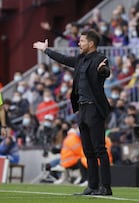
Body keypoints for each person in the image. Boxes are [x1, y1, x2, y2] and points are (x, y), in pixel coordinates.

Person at [33, 30, 112, 195]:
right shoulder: (80, 60)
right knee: (88, 150)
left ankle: (105, 187)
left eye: (82, 41)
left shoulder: (100, 59)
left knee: (100, 149)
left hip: (94, 108)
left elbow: (105, 71)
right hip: (82, 109)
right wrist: (46, 50)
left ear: (91, 43)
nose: (79, 43)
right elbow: (63, 59)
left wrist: (103, 70)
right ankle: (92, 186)